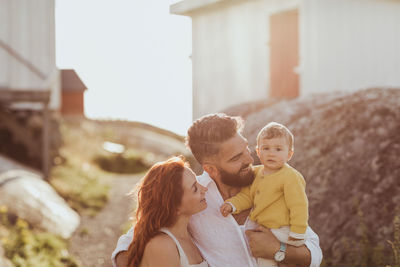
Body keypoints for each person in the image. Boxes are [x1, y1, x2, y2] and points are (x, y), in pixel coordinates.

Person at [112, 113, 323, 267]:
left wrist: (278, 250)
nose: (250, 160)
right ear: (210, 169)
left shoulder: (272, 182)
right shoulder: (193, 197)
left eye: (246, 149)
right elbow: (126, 249)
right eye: (236, 158)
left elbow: (314, 252)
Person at [220, 122, 309, 267]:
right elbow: (247, 196)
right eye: (266, 148)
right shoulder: (255, 173)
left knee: (290, 260)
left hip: (285, 230)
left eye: (278, 149)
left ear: (289, 154)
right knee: (263, 262)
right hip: (264, 230)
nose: (271, 153)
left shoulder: (290, 176)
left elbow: (298, 204)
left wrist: (298, 231)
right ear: (258, 151)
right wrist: (232, 204)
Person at [124, 156, 208, 267]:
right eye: (195, 188)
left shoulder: (190, 234)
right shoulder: (162, 246)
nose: (205, 189)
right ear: (175, 206)